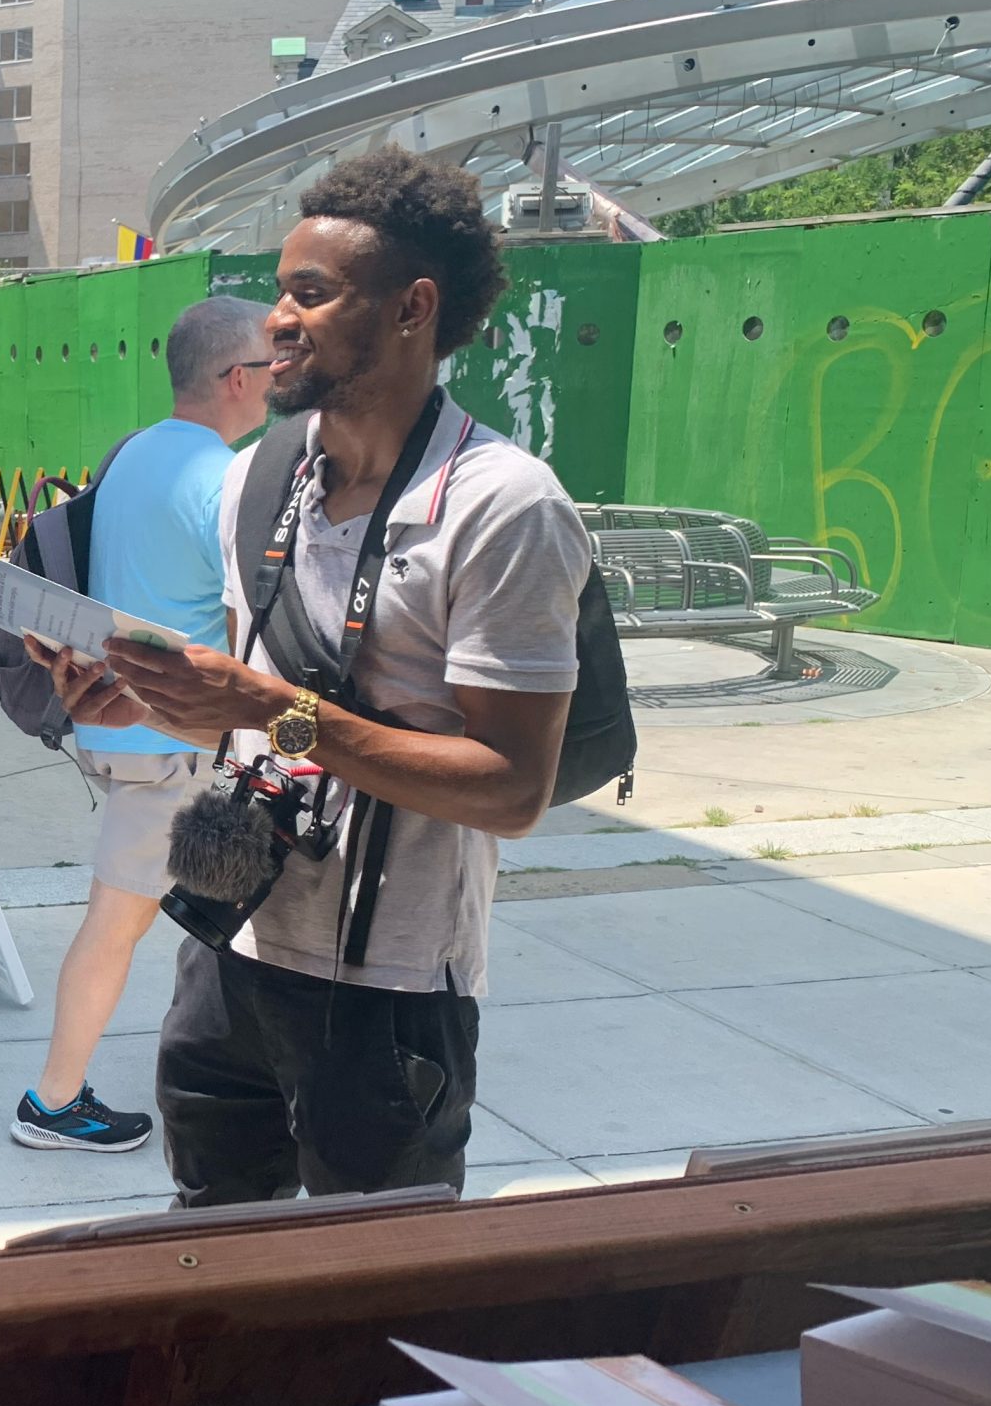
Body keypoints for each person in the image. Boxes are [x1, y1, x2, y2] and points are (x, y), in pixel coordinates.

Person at [42, 146, 590, 1202]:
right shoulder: (258, 476)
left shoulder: (503, 506)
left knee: (371, 1284)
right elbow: (248, 724)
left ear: (411, 308)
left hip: (389, 994)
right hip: (228, 944)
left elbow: (513, 791)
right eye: (279, 293)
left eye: (311, 293)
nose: (277, 320)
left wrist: (270, 707)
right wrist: (144, 698)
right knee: (213, 1256)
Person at [11, 297, 272, 1156]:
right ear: (237, 379)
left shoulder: (133, 455)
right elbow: (247, 625)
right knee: (116, 927)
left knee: (228, 922)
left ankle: (254, 1073)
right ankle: (52, 1102)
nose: (281, 381)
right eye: (272, 366)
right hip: (176, 746)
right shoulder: (227, 481)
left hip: (122, 726)